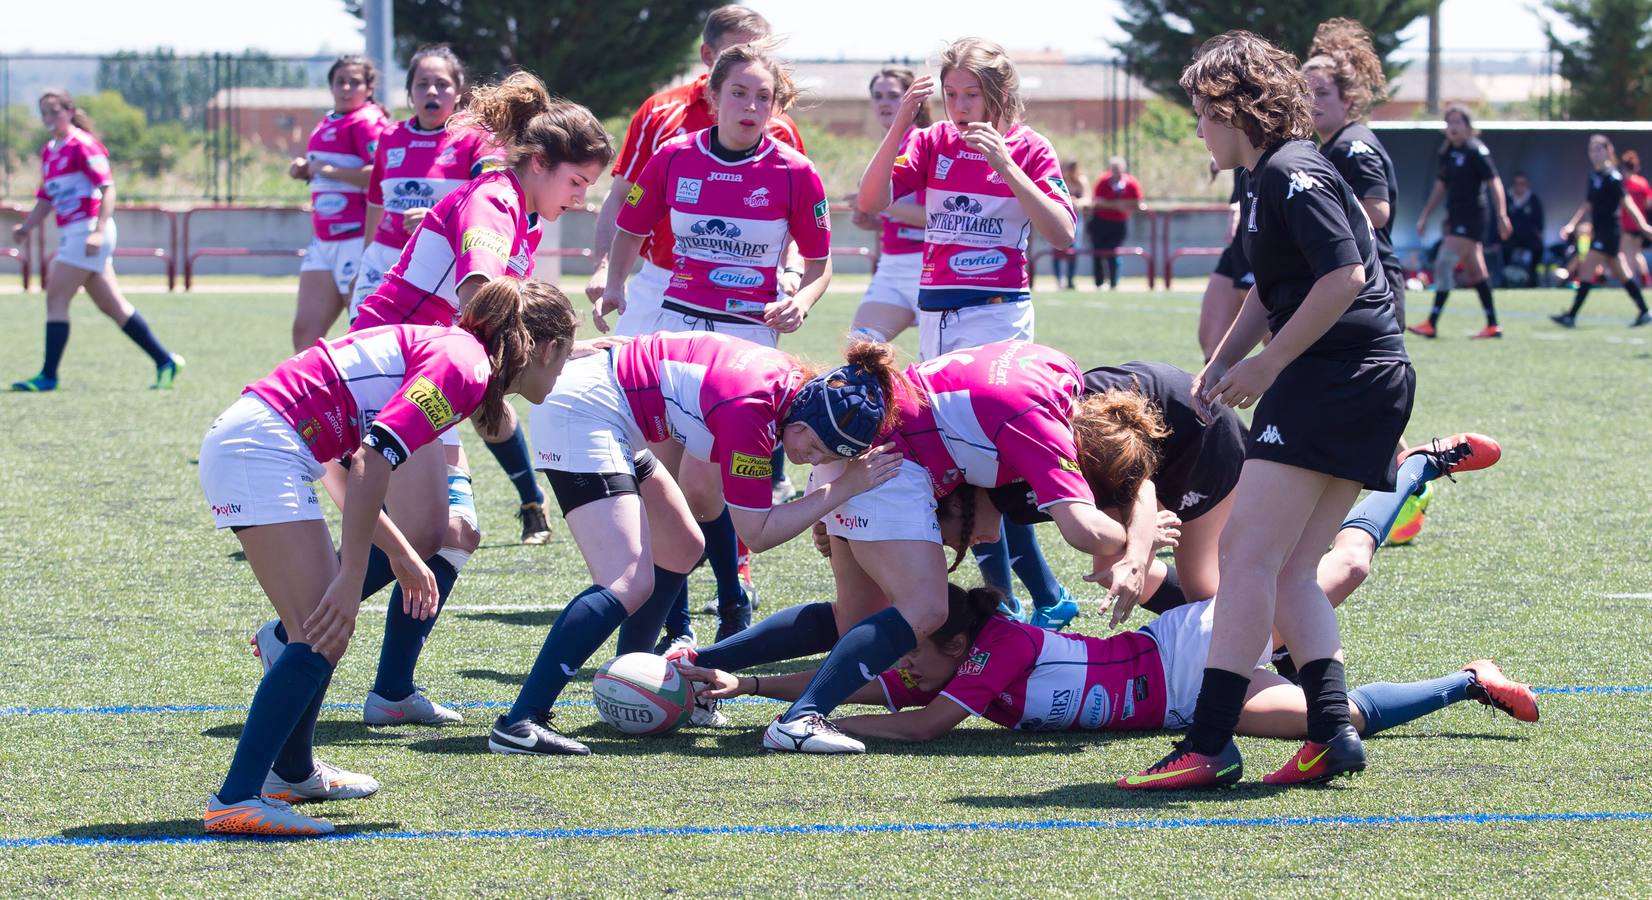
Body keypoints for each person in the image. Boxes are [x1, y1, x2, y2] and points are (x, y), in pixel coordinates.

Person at [252, 73, 613, 724]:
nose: (582, 201)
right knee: (421, 530)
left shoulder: (519, 210)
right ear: (539, 164)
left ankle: (390, 692)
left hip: (427, 371)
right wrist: (526, 360)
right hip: (392, 373)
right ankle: (291, 635)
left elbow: (493, 318)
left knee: (457, 533)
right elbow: (480, 293)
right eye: (578, 184)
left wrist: (556, 349)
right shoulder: (495, 203)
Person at [1120, 32, 1413, 790]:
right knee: (1290, 573)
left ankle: (1210, 741)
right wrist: (1218, 366)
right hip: (1358, 379)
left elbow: (1345, 274)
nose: (1196, 129)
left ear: (1232, 108)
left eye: (1200, 113)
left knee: (1247, 558)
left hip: (1338, 378)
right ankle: (1331, 735)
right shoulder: (1265, 178)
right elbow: (1270, 289)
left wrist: (1268, 365)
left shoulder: (1290, 169)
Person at [199, 277, 580, 837]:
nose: (565, 369)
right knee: (318, 629)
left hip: (268, 445)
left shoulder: (462, 357)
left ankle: (292, 772)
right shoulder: (465, 366)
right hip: (262, 449)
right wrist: (353, 575)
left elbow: (367, 465)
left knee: (318, 630)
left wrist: (400, 552)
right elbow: (371, 462)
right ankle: (235, 800)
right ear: (546, 348)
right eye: (567, 354)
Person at [715, 340, 1166, 753]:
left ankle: (696, 664)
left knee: (851, 619)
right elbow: (1084, 532)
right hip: (885, 463)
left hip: (860, 449)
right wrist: (1138, 539)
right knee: (927, 609)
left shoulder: (1054, 369)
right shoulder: (1041, 422)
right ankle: (802, 719)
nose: (986, 540)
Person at [501, 335, 905, 756]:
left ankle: (630, 679)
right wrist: (844, 488)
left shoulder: (790, 388)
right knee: (626, 580)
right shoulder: (752, 411)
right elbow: (758, 533)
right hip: (585, 411)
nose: (816, 461)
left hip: (606, 405)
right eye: (819, 451)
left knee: (681, 546)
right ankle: (521, 720)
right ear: (801, 426)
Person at [595, 43, 832, 648]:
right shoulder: (673, 158)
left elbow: (820, 263)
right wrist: (616, 284)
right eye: (739, 94)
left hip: (747, 340)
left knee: (703, 489)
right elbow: (630, 226)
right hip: (677, 328)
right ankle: (674, 627)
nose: (752, 107)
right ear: (713, 97)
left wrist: (800, 302)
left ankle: (731, 598)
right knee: (660, 479)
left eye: (764, 97)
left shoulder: (794, 172)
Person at [682, 580, 1537, 746]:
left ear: (948, 641)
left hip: (1184, 650)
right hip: (1175, 707)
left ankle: (1406, 475)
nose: (904, 664)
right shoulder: (945, 657)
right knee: (1334, 719)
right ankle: (1469, 680)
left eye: (915, 651)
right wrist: (756, 687)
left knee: (1332, 575)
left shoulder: (997, 646)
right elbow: (869, 681)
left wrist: (818, 722)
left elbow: (926, 721)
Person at [857, 38, 1080, 624]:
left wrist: (1006, 165)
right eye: (951, 95)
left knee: (991, 460)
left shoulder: (1031, 148)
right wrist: (905, 120)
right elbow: (872, 199)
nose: (959, 107)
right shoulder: (932, 142)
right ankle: (1018, 599)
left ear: (1000, 95)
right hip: (937, 315)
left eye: (971, 95)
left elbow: (1061, 233)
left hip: (998, 312)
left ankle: (1011, 602)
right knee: (956, 461)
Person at [346, 45, 556, 546]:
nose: (432, 92)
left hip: (444, 310)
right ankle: (363, 547)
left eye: (442, 84)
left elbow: (483, 198)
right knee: (427, 506)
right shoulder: (393, 139)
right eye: (423, 83)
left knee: (483, 412)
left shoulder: (476, 150)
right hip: (402, 298)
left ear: (458, 91)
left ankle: (528, 498)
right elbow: (379, 202)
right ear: (409, 90)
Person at [10, 90, 182, 392]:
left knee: (56, 298)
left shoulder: (83, 145)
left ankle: (48, 376)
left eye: (54, 111)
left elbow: (108, 188)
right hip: (74, 233)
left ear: (69, 111)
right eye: (44, 113)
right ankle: (164, 360)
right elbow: (46, 198)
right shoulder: (49, 150)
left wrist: (99, 230)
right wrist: (27, 228)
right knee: (113, 306)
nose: (49, 118)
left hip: (87, 231)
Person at [1304, 18, 1405, 326]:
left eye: (1322, 93)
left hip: (1372, 287)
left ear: (1347, 100)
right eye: (1304, 93)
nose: (1311, 102)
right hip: (1349, 282)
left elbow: (1377, 210)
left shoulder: (1353, 145)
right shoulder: (1330, 147)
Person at [289, 54, 389, 351]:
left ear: (369, 88)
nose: (346, 88)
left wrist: (330, 171)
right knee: (305, 332)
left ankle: (373, 397)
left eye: (354, 82)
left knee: (366, 332)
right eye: (340, 81)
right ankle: (312, 398)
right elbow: (326, 171)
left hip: (357, 239)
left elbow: (382, 174)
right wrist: (306, 169)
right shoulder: (327, 121)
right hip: (323, 240)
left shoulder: (368, 122)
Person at [1411, 105, 1512, 339]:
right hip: (1456, 216)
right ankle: (1493, 324)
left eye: (1458, 122)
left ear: (1468, 127)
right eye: (1449, 123)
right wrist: (1425, 215)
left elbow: (1494, 182)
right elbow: (1441, 185)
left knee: (1444, 261)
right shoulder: (1446, 152)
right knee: (1477, 272)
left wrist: (1502, 215)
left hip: (1473, 217)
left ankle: (1432, 322)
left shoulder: (1476, 151)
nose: (1453, 127)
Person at [849, 66, 932, 345]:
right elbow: (895, 215)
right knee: (860, 348)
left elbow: (933, 218)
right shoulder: (889, 145)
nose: (884, 102)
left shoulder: (923, 141)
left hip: (929, 268)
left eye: (894, 95)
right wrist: (870, 219)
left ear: (915, 102)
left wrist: (878, 203)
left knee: (940, 366)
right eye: (878, 95)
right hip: (892, 266)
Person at [1550, 135, 1652, 328]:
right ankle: (1645, 311)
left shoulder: (1613, 177)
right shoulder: (1594, 176)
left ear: (1608, 151)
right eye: (1592, 150)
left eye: (1598, 149)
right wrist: (1572, 224)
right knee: (1622, 273)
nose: (1594, 153)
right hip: (1599, 231)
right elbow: (1588, 204)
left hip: (1610, 232)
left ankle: (1571, 316)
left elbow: (1627, 203)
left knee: (1587, 269)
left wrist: (1643, 226)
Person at [1199, 161, 1253, 360]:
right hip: (1238, 244)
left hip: (1262, 243)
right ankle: (1213, 390)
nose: (1200, 133)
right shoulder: (1238, 145)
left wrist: (1244, 206)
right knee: (1212, 345)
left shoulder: (1280, 160)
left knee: (1274, 339)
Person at [1089, 156, 1142, 290]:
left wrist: (1111, 204)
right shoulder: (1103, 181)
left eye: (1118, 169)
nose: (1116, 172)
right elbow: (1097, 202)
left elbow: (1136, 202)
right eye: (1113, 169)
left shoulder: (1131, 183)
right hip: (1100, 223)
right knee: (1098, 253)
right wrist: (1117, 205)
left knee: (1113, 252)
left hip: (1119, 223)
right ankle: (1099, 283)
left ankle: (1113, 282)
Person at [1503, 172, 1546, 288]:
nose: (1519, 186)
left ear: (1527, 185)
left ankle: (1532, 278)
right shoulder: (1506, 198)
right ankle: (1504, 279)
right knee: (1502, 249)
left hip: (1529, 236)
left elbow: (1539, 222)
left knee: (1538, 248)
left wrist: (1538, 233)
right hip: (1511, 236)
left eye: (1522, 184)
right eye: (1517, 183)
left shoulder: (1533, 199)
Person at [1617, 150, 1652, 287]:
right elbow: (1648, 203)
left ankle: (1630, 284)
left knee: (1627, 255)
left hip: (1628, 224)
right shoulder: (1642, 183)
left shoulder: (1624, 185)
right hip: (1640, 224)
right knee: (1636, 253)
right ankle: (1645, 280)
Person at [1053, 159, 1087, 289]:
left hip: (1076, 218)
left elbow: (1087, 199)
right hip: (1059, 217)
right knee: (1056, 247)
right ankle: (1058, 280)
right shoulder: (1059, 180)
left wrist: (1077, 202)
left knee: (1074, 249)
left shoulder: (1081, 181)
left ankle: (1070, 280)